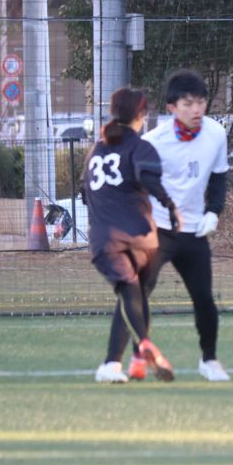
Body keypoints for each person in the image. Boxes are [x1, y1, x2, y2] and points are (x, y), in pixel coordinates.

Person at [87, 87, 182, 384]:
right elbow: (149, 178)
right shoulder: (141, 148)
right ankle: (134, 355)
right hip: (142, 237)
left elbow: (85, 194)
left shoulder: (96, 150)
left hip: (107, 239)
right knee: (134, 296)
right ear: (141, 114)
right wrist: (170, 206)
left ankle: (134, 353)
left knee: (131, 296)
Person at [141, 69, 231, 382]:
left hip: (193, 232)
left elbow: (219, 177)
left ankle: (210, 360)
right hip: (158, 230)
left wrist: (214, 212)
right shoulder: (153, 142)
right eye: (188, 103)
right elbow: (139, 185)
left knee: (204, 298)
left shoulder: (216, 134)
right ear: (171, 107)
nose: (197, 109)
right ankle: (127, 358)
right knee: (137, 294)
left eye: (201, 102)